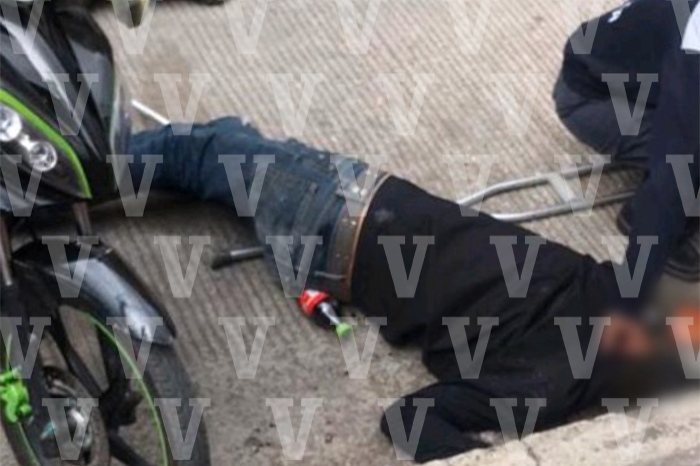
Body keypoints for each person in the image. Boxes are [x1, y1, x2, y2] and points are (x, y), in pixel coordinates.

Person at [123, 116, 689, 462]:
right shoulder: (602, 324)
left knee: (203, 151)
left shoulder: (557, 372)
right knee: (219, 148)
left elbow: (410, 419)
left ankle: (77, 162)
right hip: (344, 206)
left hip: (330, 222)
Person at [553, 0, 700, 314]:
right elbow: (673, 172)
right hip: (592, 99)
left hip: (647, 75)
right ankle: (639, 212)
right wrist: (631, 302)